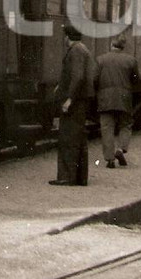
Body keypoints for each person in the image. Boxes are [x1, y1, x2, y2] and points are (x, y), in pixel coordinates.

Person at [50, 25, 96, 186]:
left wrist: (69, 99)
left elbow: (78, 77)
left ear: (68, 37)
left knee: (68, 138)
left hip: (75, 103)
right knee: (78, 139)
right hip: (80, 101)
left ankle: (66, 177)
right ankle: (78, 178)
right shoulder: (82, 49)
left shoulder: (75, 51)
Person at [95, 36, 138, 169]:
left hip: (105, 98)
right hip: (124, 98)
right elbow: (136, 79)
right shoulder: (131, 60)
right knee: (126, 124)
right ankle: (121, 149)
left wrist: (100, 91)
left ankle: (110, 160)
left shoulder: (100, 59)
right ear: (123, 47)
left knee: (107, 128)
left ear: (111, 45)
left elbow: (94, 79)